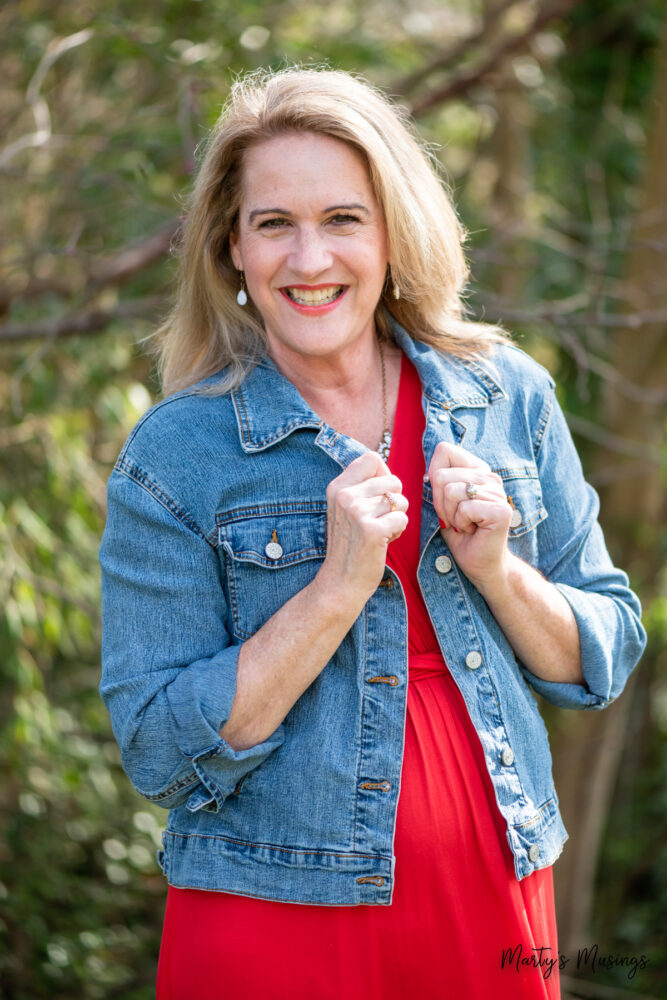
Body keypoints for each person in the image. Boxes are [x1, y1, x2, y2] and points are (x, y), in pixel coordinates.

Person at [99, 67, 646, 999]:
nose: (309, 260)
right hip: (270, 912)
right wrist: (335, 589)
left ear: (394, 231)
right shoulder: (175, 454)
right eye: (274, 224)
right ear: (232, 248)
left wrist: (498, 570)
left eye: (343, 219)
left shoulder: (506, 396)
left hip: (495, 893)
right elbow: (157, 746)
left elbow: (605, 653)